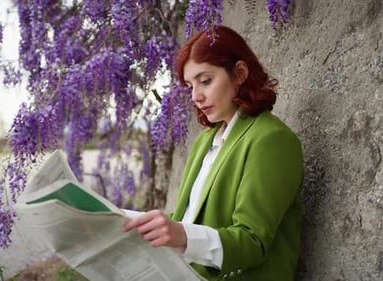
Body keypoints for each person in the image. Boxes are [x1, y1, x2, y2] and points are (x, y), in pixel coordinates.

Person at [122, 25, 303, 281]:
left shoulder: (271, 139)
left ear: (239, 73)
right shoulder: (205, 142)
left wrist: (182, 236)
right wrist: (128, 221)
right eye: (189, 86)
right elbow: (190, 219)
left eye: (205, 81)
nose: (196, 96)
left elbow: (252, 242)